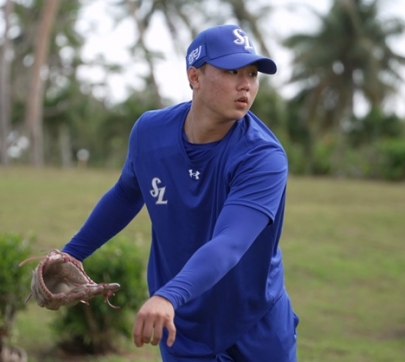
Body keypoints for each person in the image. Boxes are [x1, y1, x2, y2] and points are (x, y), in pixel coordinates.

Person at [61, 24, 299, 361]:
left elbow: (230, 242)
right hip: (183, 327)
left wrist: (167, 296)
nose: (246, 84)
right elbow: (128, 194)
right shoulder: (149, 133)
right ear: (195, 77)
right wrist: (71, 254)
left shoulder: (261, 157)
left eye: (252, 73)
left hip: (255, 326)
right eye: (232, 71)